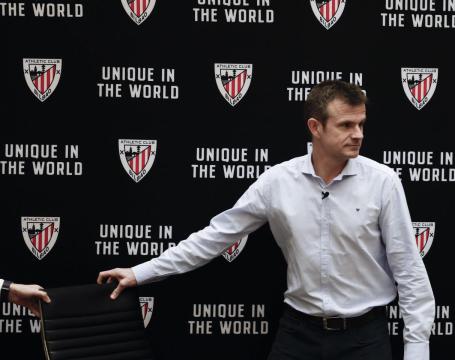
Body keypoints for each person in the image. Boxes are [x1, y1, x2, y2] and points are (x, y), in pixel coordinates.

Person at [97, 80, 436, 360]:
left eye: (361, 123)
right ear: (315, 127)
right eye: (346, 125)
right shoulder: (277, 182)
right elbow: (215, 237)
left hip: (365, 339)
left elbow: (408, 267)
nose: (358, 134)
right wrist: (139, 273)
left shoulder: (383, 181)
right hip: (298, 336)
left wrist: (417, 350)